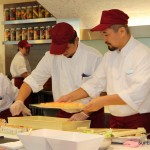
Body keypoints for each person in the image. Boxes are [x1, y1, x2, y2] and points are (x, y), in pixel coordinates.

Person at [55, 9, 150, 136]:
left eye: (106, 34)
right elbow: (96, 83)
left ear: (122, 31)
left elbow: (137, 93)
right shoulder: (109, 56)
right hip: (115, 121)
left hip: (139, 122)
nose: (104, 39)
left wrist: (102, 101)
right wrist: (69, 97)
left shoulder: (143, 55)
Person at [9, 22, 105, 128]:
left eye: (66, 48)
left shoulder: (94, 57)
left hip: (91, 114)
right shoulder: (51, 56)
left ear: (76, 40)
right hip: (63, 113)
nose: (62, 52)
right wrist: (19, 100)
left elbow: (101, 91)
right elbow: (33, 80)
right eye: (59, 49)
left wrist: (85, 113)